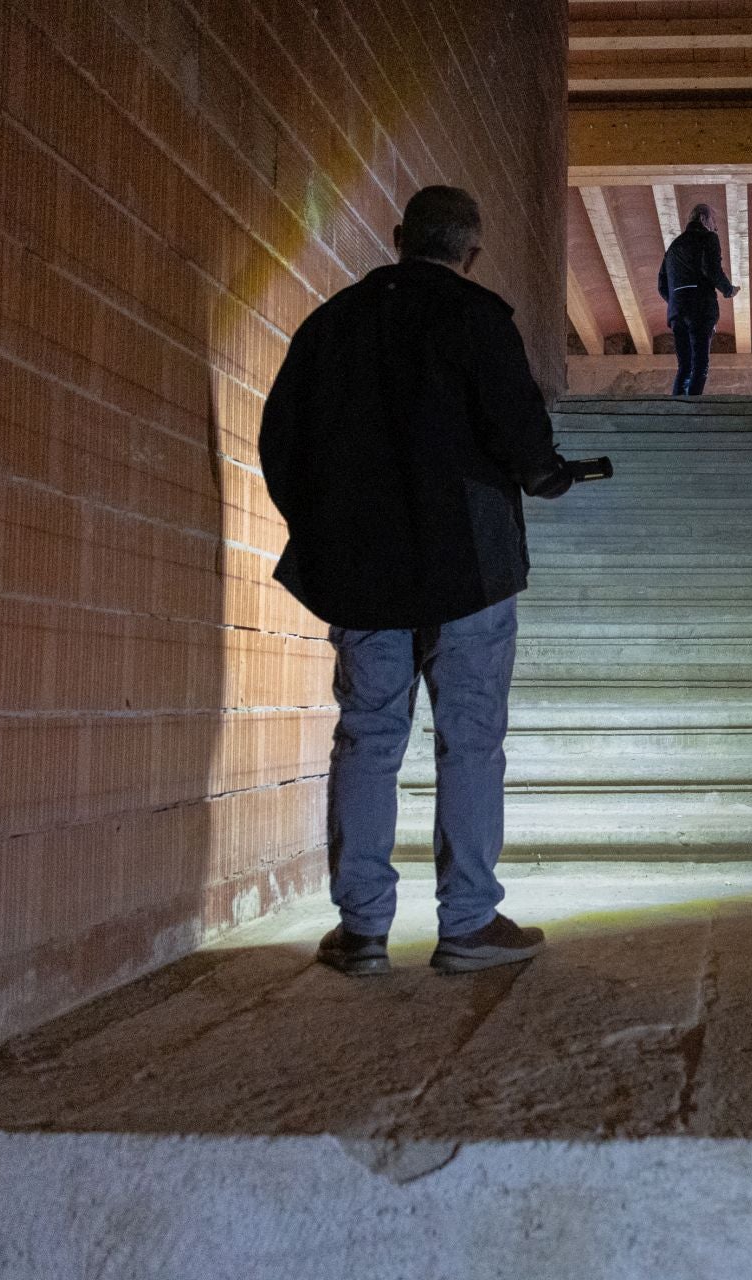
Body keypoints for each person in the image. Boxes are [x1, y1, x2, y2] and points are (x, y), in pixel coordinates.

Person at [259, 185, 575, 978]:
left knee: (367, 737)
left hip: (362, 571)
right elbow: (521, 436)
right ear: (471, 252)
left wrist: (323, 529)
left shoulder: (331, 325)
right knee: (470, 741)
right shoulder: (478, 319)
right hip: (468, 568)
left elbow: (280, 445)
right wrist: (544, 476)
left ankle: (362, 930)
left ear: (398, 237)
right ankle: (467, 921)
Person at [657, 203, 739, 396]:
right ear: (703, 219)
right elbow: (711, 268)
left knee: (684, 365)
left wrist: (678, 300)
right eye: (713, 221)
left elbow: (661, 285)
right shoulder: (708, 238)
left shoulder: (673, 247)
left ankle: (677, 409)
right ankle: (691, 409)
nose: (715, 226)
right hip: (700, 310)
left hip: (677, 312)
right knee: (700, 364)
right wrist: (728, 290)